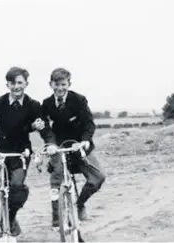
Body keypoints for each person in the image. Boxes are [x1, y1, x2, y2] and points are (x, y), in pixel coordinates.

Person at [0, 66, 54, 237]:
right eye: (12, 83)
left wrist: (49, 142)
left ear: (26, 84)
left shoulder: (33, 105)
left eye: (20, 82)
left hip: (19, 153)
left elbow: (43, 127)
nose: (16, 86)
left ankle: (10, 218)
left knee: (17, 188)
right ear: (7, 85)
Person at [39, 67, 106, 229]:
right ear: (50, 84)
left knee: (98, 178)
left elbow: (89, 124)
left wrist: (84, 141)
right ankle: (56, 218)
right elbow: (45, 128)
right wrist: (51, 144)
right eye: (56, 85)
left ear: (69, 84)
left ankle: (80, 204)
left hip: (79, 145)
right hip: (58, 147)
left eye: (63, 84)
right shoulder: (46, 104)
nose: (60, 88)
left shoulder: (79, 100)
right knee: (56, 180)